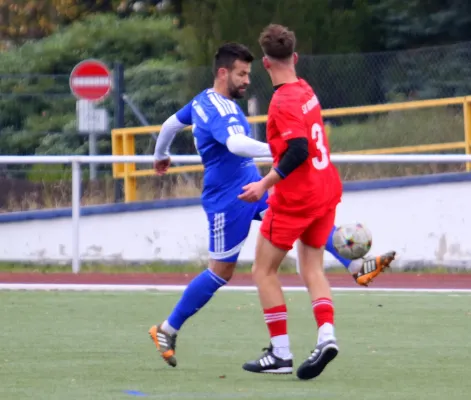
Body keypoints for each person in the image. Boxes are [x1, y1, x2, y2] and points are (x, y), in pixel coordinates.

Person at [148, 42, 395, 369]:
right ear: (223, 73)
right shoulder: (222, 110)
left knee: (299, 214)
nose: (247, 80)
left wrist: (160, 155)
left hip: (252, 186)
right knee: (221, 272)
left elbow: (169, 125)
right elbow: (236, 144)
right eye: (241, 74)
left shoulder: (201, 101)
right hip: (229, 201)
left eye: (249, 73)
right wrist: (277, 150)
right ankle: (167, 328)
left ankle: (356, 267)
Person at [239, 24, 381, 380]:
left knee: (263, 270)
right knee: (311, 268)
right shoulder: (305, 90)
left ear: (266, 64)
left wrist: (263, 184)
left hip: (296, 199)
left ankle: (281, 354)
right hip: (325, 192)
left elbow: (298, 151)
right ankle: (326, 336)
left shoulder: (283, 101)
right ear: (295, 58)